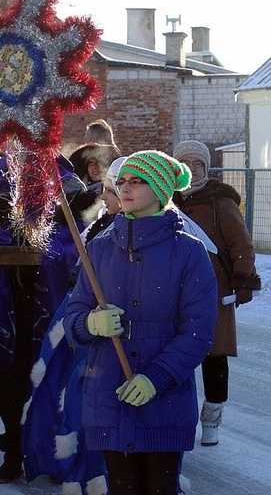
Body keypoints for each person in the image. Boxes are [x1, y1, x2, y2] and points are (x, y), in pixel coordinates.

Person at [63, 150, 218, 495]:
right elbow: (73, 319)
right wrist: (90, 324)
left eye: (137, 182)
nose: (125, 188)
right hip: (109, 398)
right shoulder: (100, 248)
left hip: (164, 404)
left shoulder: (189, 252)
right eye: (121, 183)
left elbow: (198, 332)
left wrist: (156, 378)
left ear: (161, 190)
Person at [0, 155, 94, 484]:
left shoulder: (68, 186)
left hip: (50, 299)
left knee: (55, 376)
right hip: (4, 305)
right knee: (10, 374)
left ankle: (53, 452)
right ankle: (12, 451)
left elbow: (78, 244)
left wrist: (45, 235)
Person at [22, 156, 125, 494]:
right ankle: (67, 462)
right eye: (106, 189)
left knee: (95, 406)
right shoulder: (102, 223)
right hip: (81, 321)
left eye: (111, 190)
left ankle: (99, 471)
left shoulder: (131, 228)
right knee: (64, 393)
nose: (104, 196)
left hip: (111, 333)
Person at [172, 140, 261, 446]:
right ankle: (175, 419)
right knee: (175, 358)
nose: (192, 169)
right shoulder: (165, 202)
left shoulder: (219, 201)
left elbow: (241, 244)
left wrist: (243, 278)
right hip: (173, 291)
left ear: (206, 169)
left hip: (214, 291)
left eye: (198, 164)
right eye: (186, 163)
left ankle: (211, 422)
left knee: (214, 357)